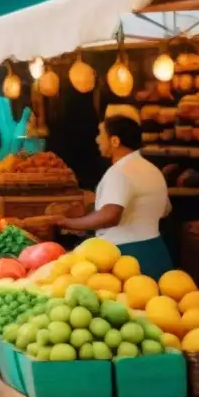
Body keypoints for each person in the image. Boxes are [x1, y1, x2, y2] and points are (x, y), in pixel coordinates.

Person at [56, 116, 173, 279]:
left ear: (115, 141)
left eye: (100, 134)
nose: (97, 140)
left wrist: (68, 223)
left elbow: (110, 216)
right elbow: (165, 209)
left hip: (125, 257)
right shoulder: (152, 170)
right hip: (156, 252)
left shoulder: (120, 172)